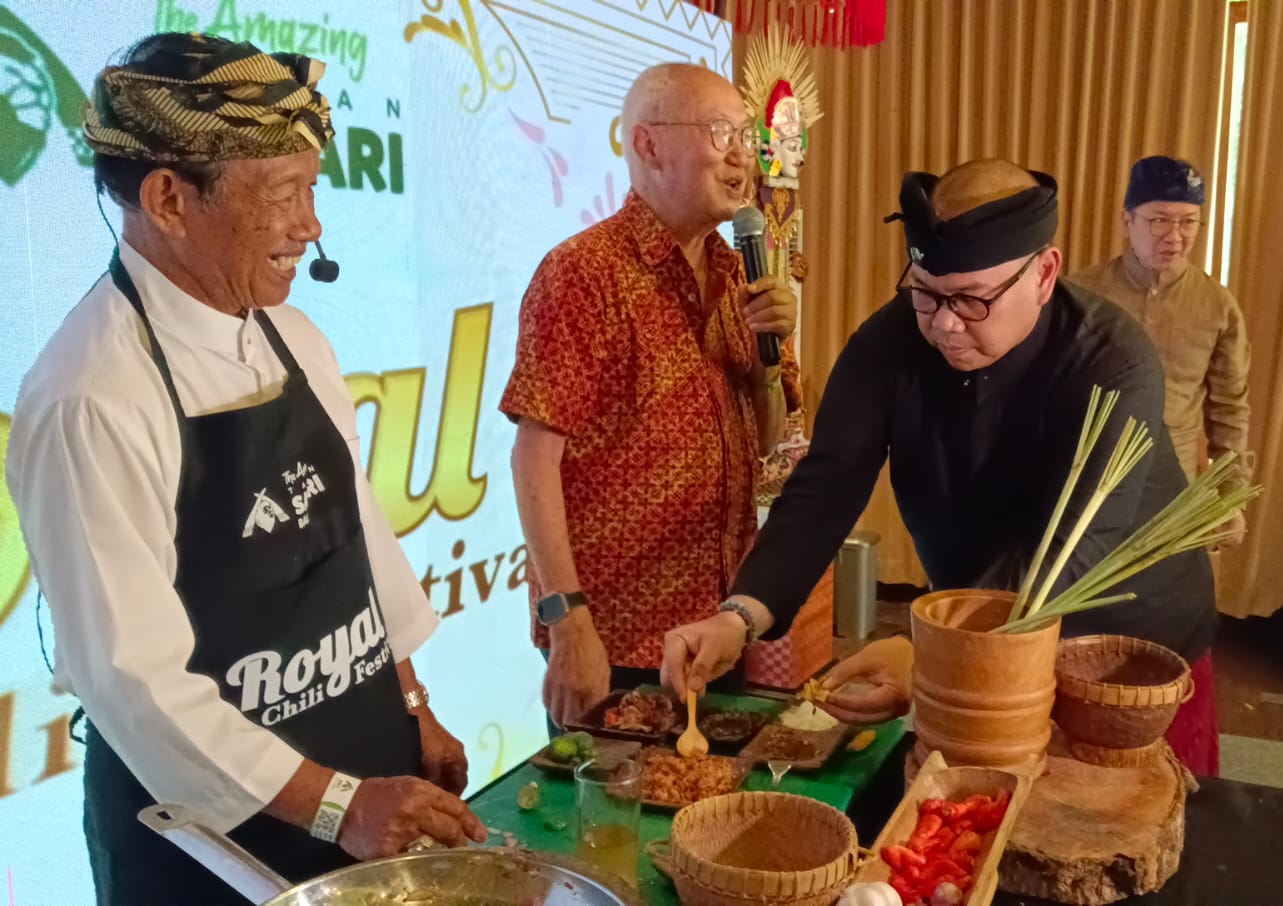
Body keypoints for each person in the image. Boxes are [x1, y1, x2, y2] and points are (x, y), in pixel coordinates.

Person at [6, 34, 485, 904]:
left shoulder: (296, 338)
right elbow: (134, 682)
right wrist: (337, 805)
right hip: (215, 842)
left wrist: (412, 707)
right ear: (169, 198)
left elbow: (357, 546)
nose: (311, 225)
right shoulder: (91, 395)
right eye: (283, 194)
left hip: (367, 777)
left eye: (312, 190)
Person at [660, 159, 1225, 776]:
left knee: (1115, 813)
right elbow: (826, 487)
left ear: (1044, 273)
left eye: (973, 299)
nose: (946, 324)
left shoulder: (1111, 360)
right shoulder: (892, 341)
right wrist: (739, 616)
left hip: (1119, 645)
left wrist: (932, 652)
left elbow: (1074, 545)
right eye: (926, 293)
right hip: (973, 628)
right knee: (969, 812)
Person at [499, 63, 798, 730]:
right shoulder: (583, 273)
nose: (741, 157)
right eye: (720, 132)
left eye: (746, 137)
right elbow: (533, 458)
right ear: (647, 144)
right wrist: (567, 621)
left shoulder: (738, 272)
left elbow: (771, 439)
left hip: (718, 623)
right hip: (616, 638)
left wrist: (766, 366)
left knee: (711, 795)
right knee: (616, 797)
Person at [1068, 156, 1253, 543]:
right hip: (1084, 479)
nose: (1175, 236)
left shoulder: (1218, 306)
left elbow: (1230, 410)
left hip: (1172, 488)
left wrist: (1229, 498)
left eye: (1188, 222)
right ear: (1127, 221)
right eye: (1159, 220)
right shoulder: (1079, 295)